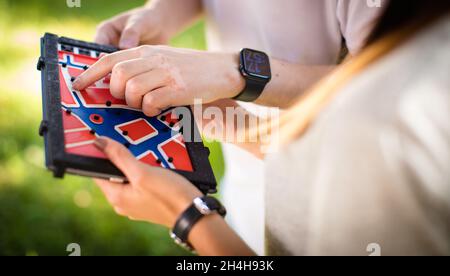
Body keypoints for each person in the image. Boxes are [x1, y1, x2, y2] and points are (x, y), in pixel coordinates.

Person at [75, 1, 450, 255]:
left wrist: (187, 214)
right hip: (251, 195)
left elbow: (369, 106)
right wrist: (160, 13)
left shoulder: (417, 108)